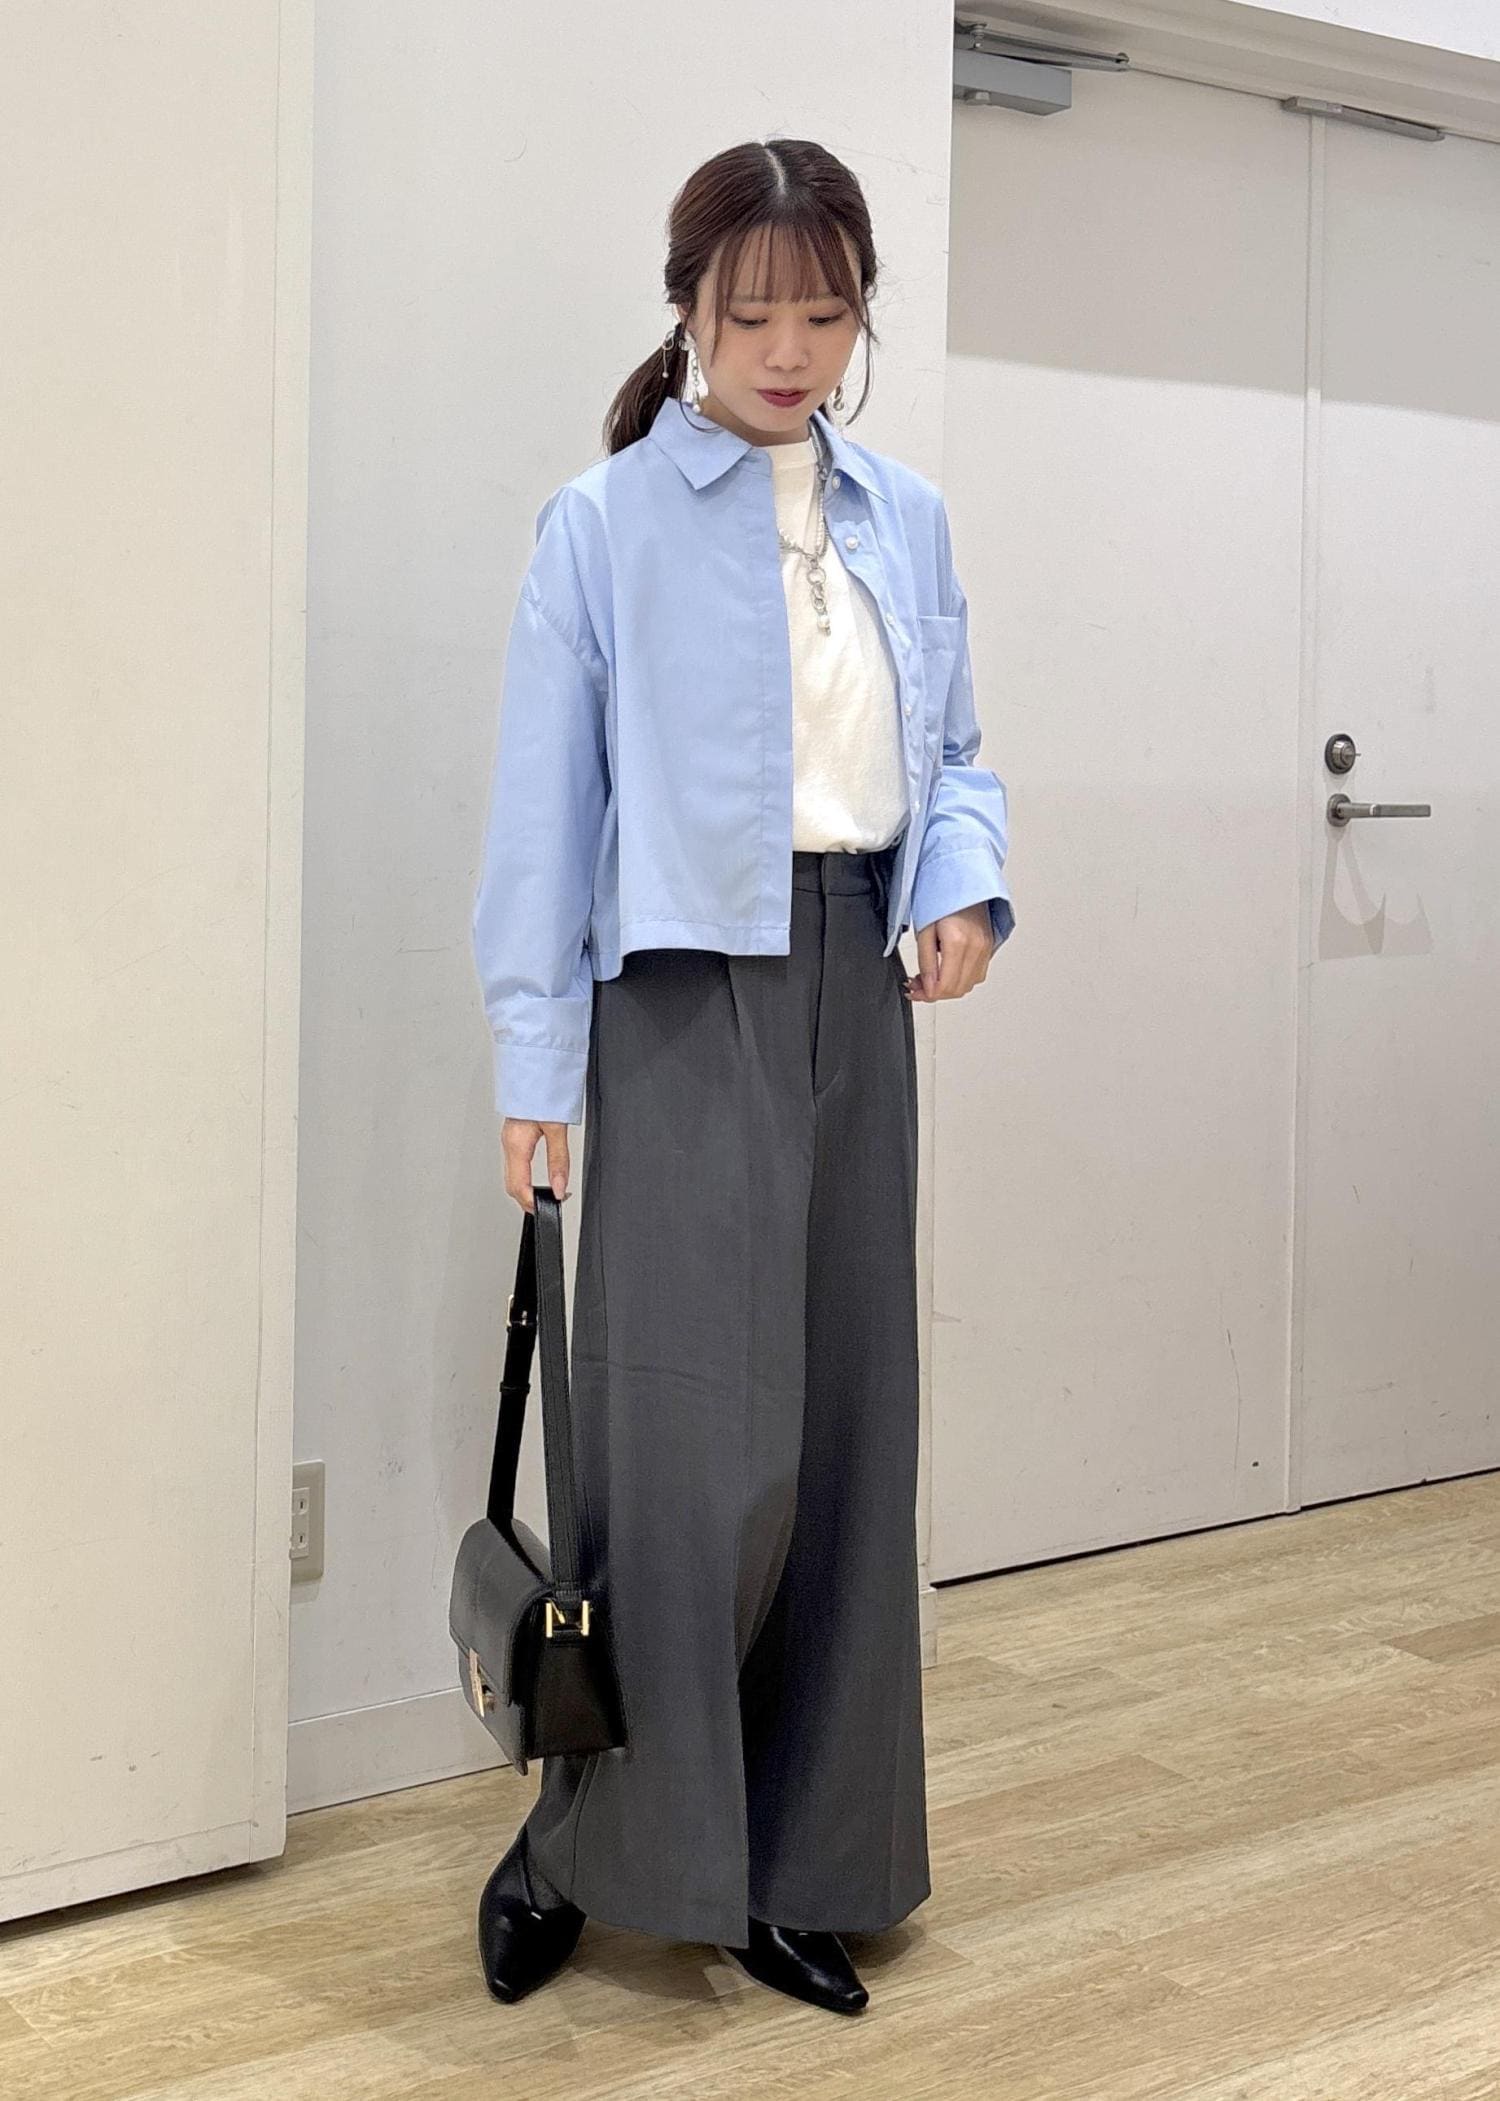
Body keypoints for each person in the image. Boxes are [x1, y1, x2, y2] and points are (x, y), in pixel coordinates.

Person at [468, 136, 1015, 2016]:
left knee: (849, 1428)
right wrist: (534, 1058)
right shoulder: (603, 525)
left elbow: (954, 753)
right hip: (681, 997)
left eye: (827, 311)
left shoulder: (907, 517)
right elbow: (544, 819)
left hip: (858, 979)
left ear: (862, 319)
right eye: (753, 310)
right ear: (690, 311)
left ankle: (804, 1859)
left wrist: (962, 887)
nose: (791, 350)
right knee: (685, 1450)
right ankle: (589, 1841)